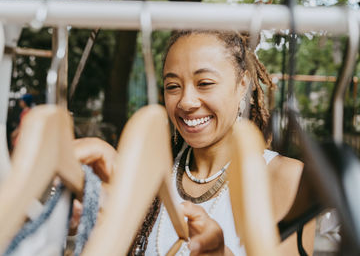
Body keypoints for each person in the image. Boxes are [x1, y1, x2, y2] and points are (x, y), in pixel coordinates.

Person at [73, 30, 315, 256]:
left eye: (205, 83)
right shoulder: (145, 176)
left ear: (244, 85)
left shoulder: (289, 179)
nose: (186, 102)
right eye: (173, 87)